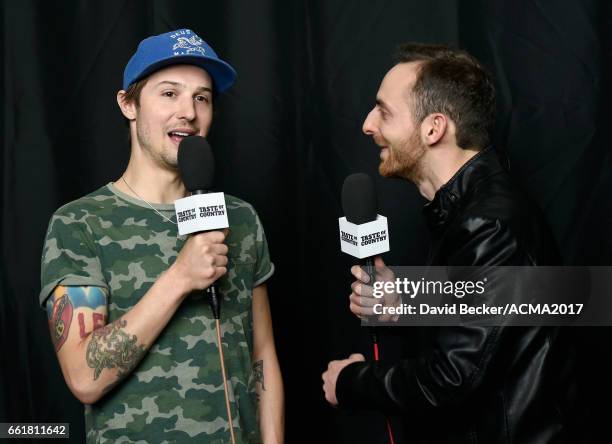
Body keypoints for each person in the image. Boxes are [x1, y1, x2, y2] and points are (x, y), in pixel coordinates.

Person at [322, 43, 576, 443]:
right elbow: (488, 322)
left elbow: (454, 378)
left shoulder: (489, 222)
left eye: (384, 112)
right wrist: (405, 305)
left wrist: (352, 382)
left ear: (433, 128)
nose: (367, 125)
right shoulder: (469, 209)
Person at [40, 29, 284, 443]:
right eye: (169, 94)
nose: (187, 112)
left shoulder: (239, 218)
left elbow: (261, 356)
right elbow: (84, 376)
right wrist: (180, 278)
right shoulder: (79, 223)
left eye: (201, 98)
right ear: (128, 104)